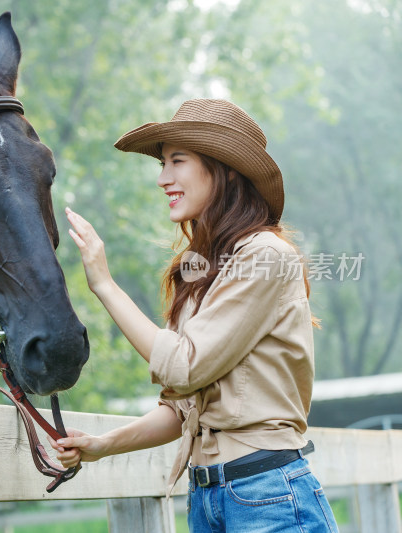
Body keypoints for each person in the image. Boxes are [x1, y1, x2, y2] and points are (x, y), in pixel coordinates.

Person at [50, 99, 338, 531]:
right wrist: (102, 445)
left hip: (267, 496)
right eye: (163, 163)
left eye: (177, 161)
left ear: (221, 168)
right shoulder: (201, 270)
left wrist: (105, 285)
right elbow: (181, 408)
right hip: (207, 500)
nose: (163, 178)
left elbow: (183, 366)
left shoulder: (265, 256)